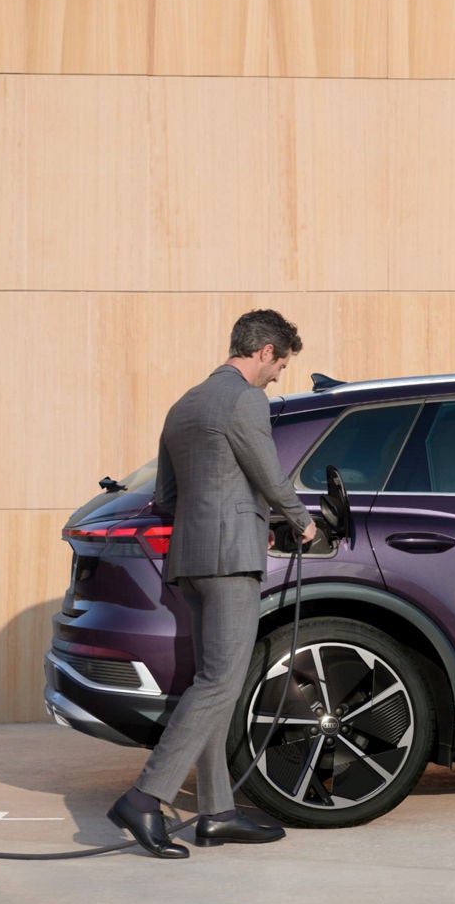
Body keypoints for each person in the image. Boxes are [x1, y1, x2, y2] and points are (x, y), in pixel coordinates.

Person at [108, 309, 316, 859]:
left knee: (212, 681)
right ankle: (145, 798)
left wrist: (241, 518)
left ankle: (217, 813)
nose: (279, 377)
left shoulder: (185, 404)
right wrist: (300, 521)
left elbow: (169, 498)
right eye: (282, 364)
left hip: (193, 561)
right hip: (229, 563)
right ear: (266, 350)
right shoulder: (247, 400)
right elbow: (268, 474)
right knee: (220, 683)